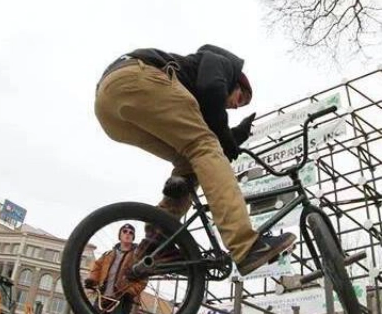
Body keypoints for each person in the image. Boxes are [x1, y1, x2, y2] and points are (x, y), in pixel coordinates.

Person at [94, 45, 296, 276]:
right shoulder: (221, 63)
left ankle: (158, 243)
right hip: (137, 78)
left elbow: (205, 125)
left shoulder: (188, 92)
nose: (235, 105)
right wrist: (226, 139)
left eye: (240, 106)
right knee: (205, 148)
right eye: (240, 98)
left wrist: (233, 136)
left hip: (109, 108)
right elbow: (212, 91)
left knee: (190, 161)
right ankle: (246, 245)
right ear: (236, 81)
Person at [82, 223, 147, 314]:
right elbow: (96, 268)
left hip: (122, 300)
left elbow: (143, 279)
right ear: (120, 235)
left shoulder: (137, 257)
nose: (128, 233)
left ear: (133, 237)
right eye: (124, 231)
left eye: (131, 232)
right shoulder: (108, 255)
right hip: (103, 296)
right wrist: (92, 280)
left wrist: (130, 291)